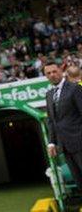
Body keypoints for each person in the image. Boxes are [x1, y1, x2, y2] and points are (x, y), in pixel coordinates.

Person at [45, 60, 82, 189]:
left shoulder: (74, 88)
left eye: (54, 71)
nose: (52, 75)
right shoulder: (49, 95)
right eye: (48, 73)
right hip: (65, 146)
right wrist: (51, 142)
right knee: (78, 179)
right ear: (46, 76)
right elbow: (51, 120)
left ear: (61, 71)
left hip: (79, 142)